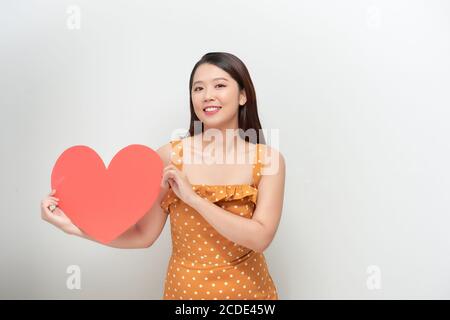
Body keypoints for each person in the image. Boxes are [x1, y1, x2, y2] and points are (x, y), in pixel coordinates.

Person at [41, 52, 286, 300]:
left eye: (220, 85)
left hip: (252, 297)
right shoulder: (170, 157)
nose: (207, 96)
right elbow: (143, 235)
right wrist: (73, 227)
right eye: (198, 88)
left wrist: (195, 199)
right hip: (184, 297)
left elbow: (260, 238)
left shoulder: (267, 160)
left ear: (243, 95)